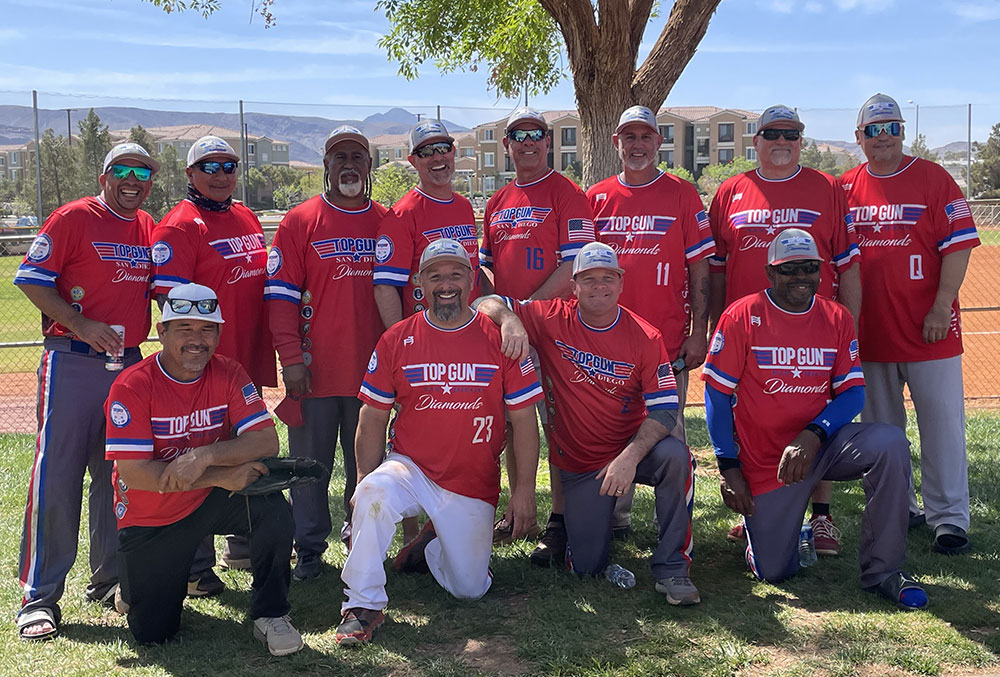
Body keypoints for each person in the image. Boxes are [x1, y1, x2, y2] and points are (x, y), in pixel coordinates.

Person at [702, 229, 928, 611]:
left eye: (809, 268)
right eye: (789, 269)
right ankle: (766, 538)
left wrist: (813, 434)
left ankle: (884, 570)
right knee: (775, 572)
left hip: (821, 446)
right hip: (768, 461)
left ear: (821, 271)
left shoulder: (836, 317)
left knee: (890, 444)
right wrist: (728, 467)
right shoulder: (742, 315)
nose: (801, 277)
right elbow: (717, 395)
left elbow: (853, 392)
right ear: (770, 273)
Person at [336, 239, 543, 646]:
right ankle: (362, 604)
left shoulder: (502, 340)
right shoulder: (398, 338)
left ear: (471, 279)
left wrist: (524, 491)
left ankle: (431, 543)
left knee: (469, 589)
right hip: (411, 467)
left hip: (472, 481)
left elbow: (523, 421)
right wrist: (363, 478)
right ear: (419, 283)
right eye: (435, 276)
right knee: (375, 494)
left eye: (455, 275)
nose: (445, 285)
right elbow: (372, 415)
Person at [477, 242, 700, 606]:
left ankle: (672, 567)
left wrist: (629, 458)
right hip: (582, 464)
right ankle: (589, 533)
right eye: (589, 279)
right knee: (585, 567)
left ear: (621, 283)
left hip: (631, 450)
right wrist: (510, 319)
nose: (599, 286)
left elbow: (664, 410)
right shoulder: (550, 317)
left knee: (677, 457)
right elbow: (484, 303)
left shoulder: (645, 336)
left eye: (607, 278)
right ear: (574, 286)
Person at [104, 283, 302, 655]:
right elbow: (136, 474)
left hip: (211, 500)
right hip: (154, 514)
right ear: (162, 332)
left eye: (207, 329)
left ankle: (271, 613)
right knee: (153, 633)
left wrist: (206, 455)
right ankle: (134, 586)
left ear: (219, 333)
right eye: (185, 329)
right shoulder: (133, 385)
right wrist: (220, 475)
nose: (197, 340)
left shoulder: (228, 372)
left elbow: (265, 441)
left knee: (271, 506)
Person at [13, 143, 159, 641]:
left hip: (127, 364)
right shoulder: (73, 217)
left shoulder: (146, 227)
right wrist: (79, 323)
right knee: (58, 475)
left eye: (143, 172)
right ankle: (39, 596)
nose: (133, 180)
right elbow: (31, 280)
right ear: (104, 177)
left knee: (119, 474)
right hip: (72, 360)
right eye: (123, 170)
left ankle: (109, 578)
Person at [708, 104, 861, 555]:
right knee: (748, 415)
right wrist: (715, 324)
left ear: (801, 141)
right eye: (772, 133)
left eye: (791, 134)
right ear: (755, 140)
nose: (781, 141)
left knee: (816, 411)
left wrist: (850, 328)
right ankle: (757, 506)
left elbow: (848, 263)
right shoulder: (731, 191)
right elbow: (717, 268)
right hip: (749, 329)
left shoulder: (826, 187)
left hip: (813, 327)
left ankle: (822, 516)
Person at [840, 93, 981, 554]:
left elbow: (958, 246)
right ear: (859, 137)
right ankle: (896, 508)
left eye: (892, 128)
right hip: (870, 333)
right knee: (881, 433)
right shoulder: (844, 188)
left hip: (930, 330)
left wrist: (942, 306)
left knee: (941, 428)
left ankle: (949, 518)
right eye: (874, 129)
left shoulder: (934, 179)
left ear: (903, 132)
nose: (883, 137)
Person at [152, 135, 277, 590]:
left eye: (228, 166)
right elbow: (173, 309)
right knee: (199, 457)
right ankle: (194, 564)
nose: (221, 174)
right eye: (209, 166)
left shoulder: (245, 215)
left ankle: (242, 545)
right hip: (204, 367)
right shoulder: (180, 226)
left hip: (244, 360)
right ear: (190, 173)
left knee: (245, 449)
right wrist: (194, 362)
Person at [265, 125, 388, 580]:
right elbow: (280, 297)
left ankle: (362, 542)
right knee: (309, 469)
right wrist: (290, 359)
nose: (349, 165)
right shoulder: (300, 221)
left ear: (369, 165)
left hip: (373, 376)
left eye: (357, 157)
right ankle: (310, 549)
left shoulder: (387, 220)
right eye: (340, 157)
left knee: (367, 467)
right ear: (326, 166)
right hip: (313, 373)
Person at [588, 105, 715, 538]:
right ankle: (615, 519)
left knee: (669, 433)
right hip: (608, 341)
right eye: (630, 137)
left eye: (646, 137)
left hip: (667, 342)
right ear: (616, 143)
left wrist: (699, 331)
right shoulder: (597, 197)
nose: (638, 145)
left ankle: (673, 527)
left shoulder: (682, 194)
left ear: (659, 142)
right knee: (612, 429)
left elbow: (700, 267)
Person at [479, 106, 596, 566]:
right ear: (506, 145)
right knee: (514, 419)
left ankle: (561, 522)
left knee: (558, 425)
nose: (527, 143)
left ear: (548, 142)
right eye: (518, 135)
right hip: (511, 330)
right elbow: (486, 268)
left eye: (536, 135)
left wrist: (523, 311)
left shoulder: (567, 193)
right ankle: (519, 511)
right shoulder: (497, 201)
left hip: (556, 326)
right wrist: (498, 311)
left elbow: (575, 265)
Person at [372, 119, 479, 544]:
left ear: (454, 152)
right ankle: (412, 536)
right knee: (413, 433)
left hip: (465, 337)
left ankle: (451, 522)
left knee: (458, 430)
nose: (438, 158)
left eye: (444, 148)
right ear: (413, 161)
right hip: (424, 342)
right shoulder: (403, 213)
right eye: (427, 152)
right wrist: (402, 344)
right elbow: (386, 286)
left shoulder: (463, 207)